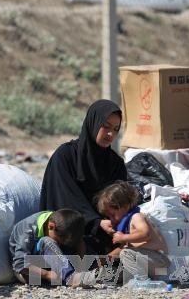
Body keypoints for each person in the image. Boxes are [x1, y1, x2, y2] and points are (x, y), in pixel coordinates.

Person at [40, 99, 128, 254]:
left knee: (139, 249)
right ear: (92, 123)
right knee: (60, 253)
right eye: (105, 126)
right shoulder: (65, 156)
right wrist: (96, 222)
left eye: (115, 129)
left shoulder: (116, 163)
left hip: (106, 236)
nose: (110, 134)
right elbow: (64, 198)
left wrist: (117, 223)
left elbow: (120, 202)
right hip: (68, 234)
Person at [95, 181, 169, 282]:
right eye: (109, 217)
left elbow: (145, 234)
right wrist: (106, 258)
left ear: (124, 206)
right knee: (121, 263)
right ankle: (143, 278)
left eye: (113, 215)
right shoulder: (128, 223)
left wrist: (122, 237)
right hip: (153, 265)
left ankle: (141, 281)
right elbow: (125, 247)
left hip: (159, 262)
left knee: (126, 254)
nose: (111, 220)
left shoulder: (137, 217)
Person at [9, 208, 98, 286]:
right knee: (46, 241)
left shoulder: (60, 221)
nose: (59, 245)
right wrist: (47, 275)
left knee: (82, 242)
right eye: (59, 242)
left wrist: (81, 266)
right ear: (51, 226)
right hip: (30, 272)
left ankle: (91, 273)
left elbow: (79, 241)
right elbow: (19, 264)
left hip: (57, 268)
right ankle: (71, 277)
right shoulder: (27, 229)